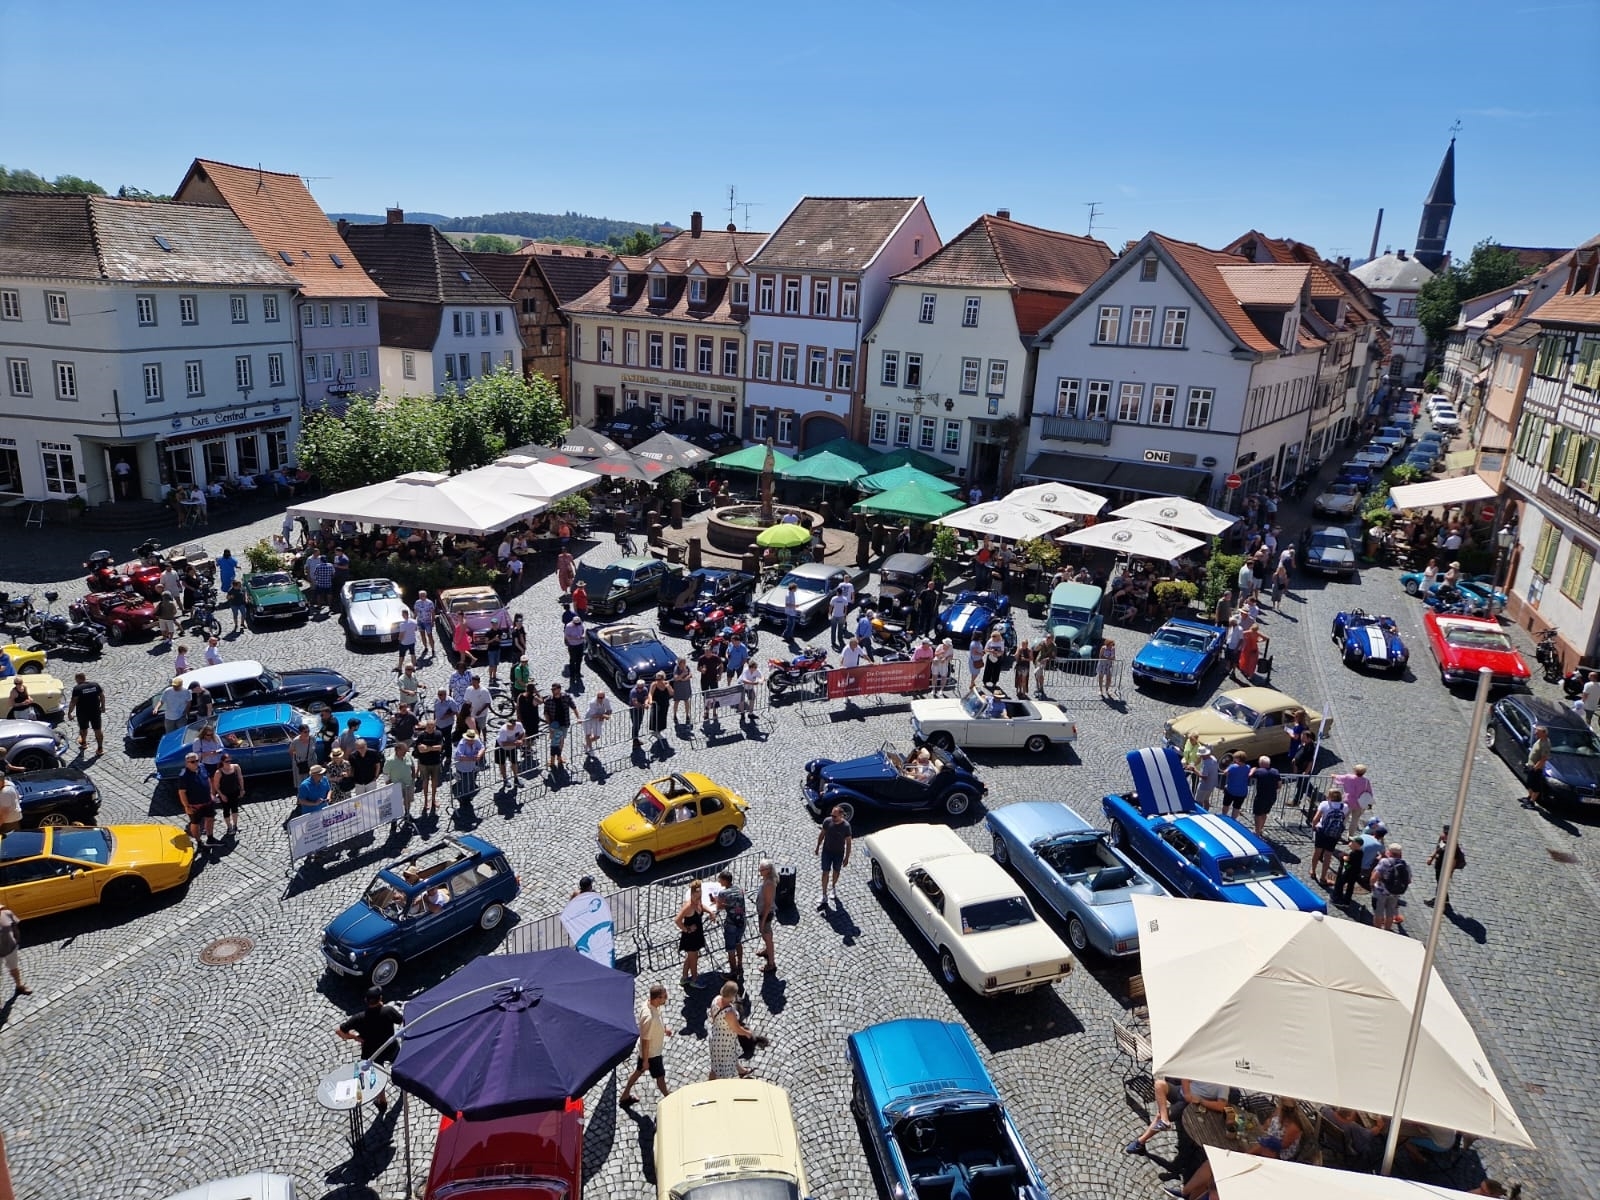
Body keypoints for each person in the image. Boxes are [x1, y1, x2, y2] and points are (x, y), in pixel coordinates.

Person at [1174, 1098, 1304, 1197]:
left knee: (1216, 1169)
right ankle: (1186, 1193)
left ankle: (1187, 1193)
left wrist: (1261, 1143)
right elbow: (1265, 1126)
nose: (1282, 1109)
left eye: (1285, 1108)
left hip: (1274, 1158)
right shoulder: (1278, 1112)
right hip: (1263, 1148)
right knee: (1211, 1165)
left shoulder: (1294, 1127)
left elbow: (1281, 1147)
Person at [336, 986, 404, 1115]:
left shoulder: (359, 1018)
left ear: (366, 1000)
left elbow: (339, 1031)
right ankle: (403, 1087)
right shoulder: (388, 1011)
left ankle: (382, 1101)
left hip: (371, 1054)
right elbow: (402, 1020)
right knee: (398, 1066)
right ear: (381, 999)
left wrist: (356, 1037)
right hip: (390, 1048)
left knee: (377, 1078)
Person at [1125, 1077, 1228, 1155]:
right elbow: (1185, 1077)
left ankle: (1140, 1142)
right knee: (1159, 1084)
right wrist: (1187, 1093)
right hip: (1181, 1091)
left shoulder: (1223, 1084)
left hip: (1188, 1105)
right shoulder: (1204, 1067)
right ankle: (1165, 1120)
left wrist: (1200, 1101)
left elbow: (1221, 1105)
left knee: (1159, 1117)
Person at [619, 983, 674, 1107]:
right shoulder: (649, 1018)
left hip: (648, 1053)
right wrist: (645, 1061)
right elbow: (645, 1039)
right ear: (657, 998)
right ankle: (668, 1096)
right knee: (660, 1076)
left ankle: (625, 1095)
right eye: (664, 996)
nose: (667, 998)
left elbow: (654, 1024)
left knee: (638, 1072)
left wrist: (664, 1029)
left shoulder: (648, 1004)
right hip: (652, 1054)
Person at [707, 980, 757, 1079]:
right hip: (724, 1042)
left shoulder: (716, 999)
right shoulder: (729, 1012)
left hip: (716, 1035)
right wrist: (747, 1033)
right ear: (732, 996)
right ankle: (714, 1087)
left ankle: (741, 1071)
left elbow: (713, 1017)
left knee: (728, 1058)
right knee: (720, 1068)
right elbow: (736, 1029)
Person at [816, 803, 852, 910]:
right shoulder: (827, 822)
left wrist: (847, 857)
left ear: (841, 816)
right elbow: (822, 834)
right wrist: (818, 846)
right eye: (832, 815)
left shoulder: (846, 826)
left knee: (836, 872)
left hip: (838, 853)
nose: (832, 818)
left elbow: (849, 842)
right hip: (826, 851)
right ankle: (824, 895)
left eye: (835, 816)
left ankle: (833, 887)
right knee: (825, 872)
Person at [176, 752, 216, 846]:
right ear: (187, 763)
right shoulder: (183, 776)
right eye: (192, 762)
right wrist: (186, 806)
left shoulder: (202, 767)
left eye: (197, 761)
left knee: (210, 819)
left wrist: (211, 793)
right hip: (194, 805)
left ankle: (210, 839)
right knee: (195, 823)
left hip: (207, 801)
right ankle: (199, 842)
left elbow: (208, 780)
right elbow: (182, 792)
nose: (195, 763)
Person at [1310, 787, 1348, 885]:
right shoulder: (1345, 807)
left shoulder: (1324, 804)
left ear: (1329, 796)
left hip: (1322, 831)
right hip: (1334, 834)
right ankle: (1323, 878)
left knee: (1317, 852)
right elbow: (1344, 820)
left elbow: (1315, 819)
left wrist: (1314, 827)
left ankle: (1313, 871)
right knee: (1328, 855)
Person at [1425, 824, 1466, 909]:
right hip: (1439, 864)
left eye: (1446, 834)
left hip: (1445, 867)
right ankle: (1445, 901)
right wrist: (1431, 858)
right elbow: (1438, 848)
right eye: (1444, 833)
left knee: (1441, 884)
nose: (1444, 835)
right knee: (1439, 882)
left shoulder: (1453, 846)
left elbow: (1454, 860)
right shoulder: (1442, 839)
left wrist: (1450, 872)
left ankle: (1437, 902)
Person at [1371, 843, 1410, 932]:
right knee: (1390, 913)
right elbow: (1408, 881)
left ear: (1389, 852)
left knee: (1378, 912)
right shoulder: (1405, 864)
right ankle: (1387, 930)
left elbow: (1374, 877)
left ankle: (1377, 930)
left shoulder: (1385, 862)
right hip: (1395, 893)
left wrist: (1372, 885)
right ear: (1400, 854)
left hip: (1381, 892)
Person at [676, 880, 709, 988]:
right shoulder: (688, 906)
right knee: (694, 959)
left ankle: (684, 978)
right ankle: (695, 980)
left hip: (697, 934)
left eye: (700, 897)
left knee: (690, 957)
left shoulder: (697, 902)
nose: (698, 899)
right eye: (696, 897)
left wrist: (711, 912)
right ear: (691, 894)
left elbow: (701, 906)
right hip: (690, 937)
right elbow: (677, 920)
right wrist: (687, 929)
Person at [66, 672, 105, 756]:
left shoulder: (77, 689)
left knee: (83, 728)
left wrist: (69, 713)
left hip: (83, 712)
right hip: (95, 711)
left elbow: (73, 702)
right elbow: (102, 696)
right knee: (98, 729)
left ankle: (84, 743)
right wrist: (103, 707)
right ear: (84, 678)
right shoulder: (95, 685)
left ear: (77, 679)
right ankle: (100, 748)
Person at [413, 718, 445, 815]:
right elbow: (420, 749)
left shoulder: (438, 734)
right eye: (429, 727)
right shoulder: (421, 736)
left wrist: (428, 748)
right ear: (426, 727)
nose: (431, 728)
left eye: (432, 727)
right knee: (425, 783)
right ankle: (426, 801)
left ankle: (434, 800)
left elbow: (439, 748)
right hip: (424, 763)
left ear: (434, 727)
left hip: (435, 763)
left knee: (435, 783)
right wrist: (432, 748)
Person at [211, 752, 245, 837]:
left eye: (230, 761)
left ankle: (235, 825)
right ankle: (229, 827)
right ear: (222, 762)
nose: (229, 762)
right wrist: (221, 795)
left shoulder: (236, 767)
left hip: (235, 791)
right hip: (225, 794)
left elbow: (240, 778)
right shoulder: (219, 772)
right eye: (227, 761)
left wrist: (242, 789)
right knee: (226, 810)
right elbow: (216, 785)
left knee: (235, 809)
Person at [544, 682, 578, 768]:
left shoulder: (566, 697)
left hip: (564, 723)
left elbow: (573, 707)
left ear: (559, 689)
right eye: (552, 689)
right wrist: (549, 725)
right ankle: (552, 760)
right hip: (554, 725)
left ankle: (559, 758)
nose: (553, 691)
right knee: (554, 742)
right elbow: (546, 713)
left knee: (561, 741)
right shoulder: (548, 700)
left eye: (554, 689)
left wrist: (578, 717)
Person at [0, 903, 30, 996]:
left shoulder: (7, 914)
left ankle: (19, 986)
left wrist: (16, 941)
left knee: (14, 969)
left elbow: (15, 927)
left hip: (11, 948)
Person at [755, 859, 779, 973]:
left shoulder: (769, 884)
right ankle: (766, 951)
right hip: (763, 912)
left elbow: (768, 904)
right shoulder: (766, 879)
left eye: (762, 869)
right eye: (760, 868)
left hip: (766, 913)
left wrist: (763, 921)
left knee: (767, 937)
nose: (760, 871)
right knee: (766, 936)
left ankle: (771, 964)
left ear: (768, 870)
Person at [1249, 755, 1281, 837]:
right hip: (1272, 796)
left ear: (1260, 763)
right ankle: (1260, 829)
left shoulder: (1259, 771)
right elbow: (1279, 785)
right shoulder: (1275, 771)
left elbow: (1250, 775)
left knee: (1258, 814)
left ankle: (1257, 832)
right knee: (1264, 813)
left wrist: (1253, 769)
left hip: (1261, 796)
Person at [1523, 724, 1550, 808]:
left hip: (1536, 768)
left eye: (1537, 732)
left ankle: (1532, 802)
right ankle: (1529, 797)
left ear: (1544, 733)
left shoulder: (1545, 744)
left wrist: (1536, 767)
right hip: (1531, 765)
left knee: (1535, 786)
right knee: (1529, 783)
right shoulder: (1540, 740)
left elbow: (1544, 758)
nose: (1535, 734)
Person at [1221, 751, 1251, 821]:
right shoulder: (1248, 767)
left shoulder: (1233, 767)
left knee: (1226, 805)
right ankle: (1233, 821)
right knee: (1236, 808)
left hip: (1231, 790)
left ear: (1238, 759)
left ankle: (1223, 818)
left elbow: (1225, 773)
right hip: (1242, 792)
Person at [582, 692, 611, 757]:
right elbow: (593, 715)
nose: (599, 699)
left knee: (597, 736)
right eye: (598, 697)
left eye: (601, 698)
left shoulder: (606, 700)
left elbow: (609, 710)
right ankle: (590, 749)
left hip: (598, 719)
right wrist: (603, 716)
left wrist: (607, 714)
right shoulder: (592, 702)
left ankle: (587, 744)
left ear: (604, 697)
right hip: (589, 718)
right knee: (588, 734)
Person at [648, 670, 673, 743]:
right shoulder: (654, 684)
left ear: (663, 678)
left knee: (663, 717)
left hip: (664, 703)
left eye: (659, 679)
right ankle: (655, 731)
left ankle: (659, 731)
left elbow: (672, 693)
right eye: (656, 679)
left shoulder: (666, 684)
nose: (657, 681)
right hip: (656, 704)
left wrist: (668, 687)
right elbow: (650, 693)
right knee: (655, 717)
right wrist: (650, 700)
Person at [413, 591, 437, 659]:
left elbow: (433, 612)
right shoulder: (417, 602)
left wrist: (433, 621)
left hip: (428, 622)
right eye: (420, 595)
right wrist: (413, 621)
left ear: (425, 595)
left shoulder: (429, 603)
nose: (421, 596)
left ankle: (433, 649)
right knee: (422, 635)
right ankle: (425, 647)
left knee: (430, 635)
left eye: (422, 595)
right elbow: (415, 612)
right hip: (420, 621)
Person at [1193, 745, 1218, 810]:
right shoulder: (1213, 758)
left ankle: (1200, 814)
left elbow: (1204, 777)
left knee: (1198, 801)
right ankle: (1206, 812)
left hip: (1204, 786)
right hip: (1211, 785)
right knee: (1206, 800)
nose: (1200, 756)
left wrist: (1194, 770)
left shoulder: (1206, 763)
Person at [628, 677, 650, 749]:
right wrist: (643, 706)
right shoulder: (633, 692)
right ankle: (635, 740)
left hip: (640, 709)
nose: (640, 689)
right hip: (634, 710)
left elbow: (646, 698)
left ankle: (636, 739)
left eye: (641, 687)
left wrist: (646, 703)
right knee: (635, 724)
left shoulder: (645, 690)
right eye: (638, 687)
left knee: (639, 723)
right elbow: (635, 703)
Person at [563, 614, 585, 683]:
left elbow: (583, 631)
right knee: (572, 660)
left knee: (579, 659)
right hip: (572, 645)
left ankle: (578, 672)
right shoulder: (569, 626)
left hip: (580, 644)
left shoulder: (580, 624)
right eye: (576, 624)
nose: (577, 625)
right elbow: (567, 636)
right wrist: (576, 638)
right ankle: (572, 674)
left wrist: (583, 636)